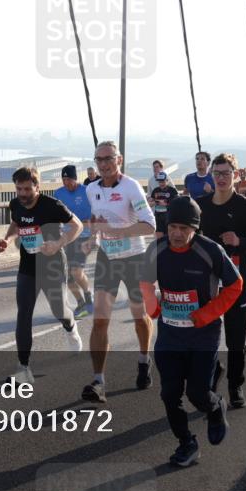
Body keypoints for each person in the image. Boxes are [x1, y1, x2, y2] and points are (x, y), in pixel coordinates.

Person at [140, 196, 243, 467]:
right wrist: (153, 306)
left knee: (197, 395)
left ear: (195, 229)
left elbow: (235, 285)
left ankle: (215, 405)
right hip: (170, 334)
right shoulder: (157, 250)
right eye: (173, 226)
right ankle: (187, 443)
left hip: (203, 334)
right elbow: (145, 280)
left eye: (184, 228)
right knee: (169, 394)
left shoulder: (210, 251)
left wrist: (207, 313)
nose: (177, 233)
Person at [81, 141, 157, 403]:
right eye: (98, 159)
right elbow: (96, 220)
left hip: (134, 258)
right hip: (107, 258)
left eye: (108, 159)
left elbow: (149, 225)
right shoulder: (91, 189)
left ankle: (144, 359)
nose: (103, 164)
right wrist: (92, 238)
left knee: (139, 316)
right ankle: (98, 380)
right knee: (100, 320)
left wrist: (120, 232)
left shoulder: (130, 187)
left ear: (119, 159)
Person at [197, 153, 246, 408]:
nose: (220, 178)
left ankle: (235, 385)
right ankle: (214, 370)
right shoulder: (200, 205)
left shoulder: (245, 206)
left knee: (236, 339)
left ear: (236, 176)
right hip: (207, 283)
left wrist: (240, 241)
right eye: (216, 173)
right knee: (205, 335)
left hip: (237, 282)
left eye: (225, 173)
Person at [0, 167, 83, 384]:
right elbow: (17, 222)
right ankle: (23, 369)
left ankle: (70, 324)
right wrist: (7, 239)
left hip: (52, 266)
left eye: (27, 189)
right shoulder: (16, 204)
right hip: (27, 267)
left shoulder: (51, 205)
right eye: (18, 189)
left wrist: (58, 243)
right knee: (24, 314)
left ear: (37, 187)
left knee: (59, 310)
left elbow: (77, 226)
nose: (22, 194)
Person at [54, 165, 95, 318]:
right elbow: (55, 215)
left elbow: (96, 213)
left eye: (69, 179)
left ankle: (88, 295)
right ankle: (81, 302)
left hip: (84, 236)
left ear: (75, 178)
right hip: (66, 237)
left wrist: (93, 236)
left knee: (76, 271)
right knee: (67, 276)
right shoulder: (58, 193)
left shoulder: (87, 191)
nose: (66, 183)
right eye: (64, 180)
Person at [149, 171, 179, 239]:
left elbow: (177, 204)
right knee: (159, 239)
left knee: (169, 237)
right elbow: (149, 204)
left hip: (168, 216)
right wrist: (155, 203)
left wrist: (166, 204)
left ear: (167, 181)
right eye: (159, 182)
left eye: (163, 181)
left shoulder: (172, 190)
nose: (161, 183)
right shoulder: (155, 190)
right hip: (158, 217)